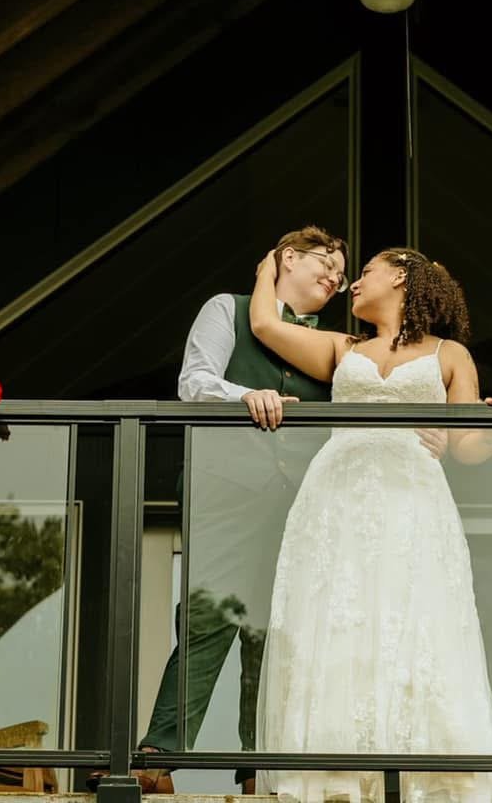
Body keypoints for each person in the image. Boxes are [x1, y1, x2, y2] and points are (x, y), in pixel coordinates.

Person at [247, 247, 492, 803]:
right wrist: (270, 265)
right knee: (339, 621)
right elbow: (264, 323)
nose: (351, 283)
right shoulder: (342, 347)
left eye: (365, 272)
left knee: (416, 620)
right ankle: (335, 771)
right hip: (337, 500)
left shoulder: (451, 356)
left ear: (399, 274)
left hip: (412, 502)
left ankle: (429, 764)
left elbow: (467, 448)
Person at [133, 225, 350, 791]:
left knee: (275, 627)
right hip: (225, 487)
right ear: (286, 258)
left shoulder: (333, 343)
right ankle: (158, 755)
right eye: (324, 260)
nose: (335, 275)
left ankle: (261, 767)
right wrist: (244, 395)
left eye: (342, 272)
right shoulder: (226, 308)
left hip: (302, 498)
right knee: (208, 616)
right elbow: (194, 382)